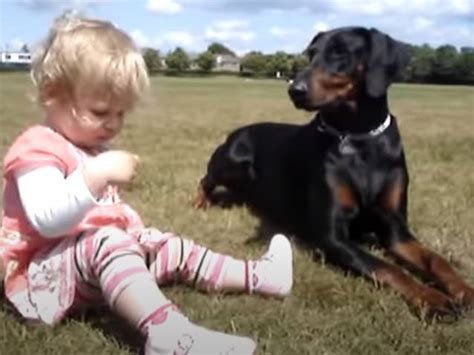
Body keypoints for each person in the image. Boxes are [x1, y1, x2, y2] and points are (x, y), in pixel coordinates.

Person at [0, 11, 293, 355]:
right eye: (100, 111)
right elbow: (48, 220)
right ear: (53, 94)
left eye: (120, 113)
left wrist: (137, 236)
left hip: (92, 264)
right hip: (41, 275)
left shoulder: (92, 147)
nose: (112, 124)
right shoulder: (38, 146)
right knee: (107, 241)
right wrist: (94, 176)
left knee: (165, 244)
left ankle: (257, 275)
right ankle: (167, 333)